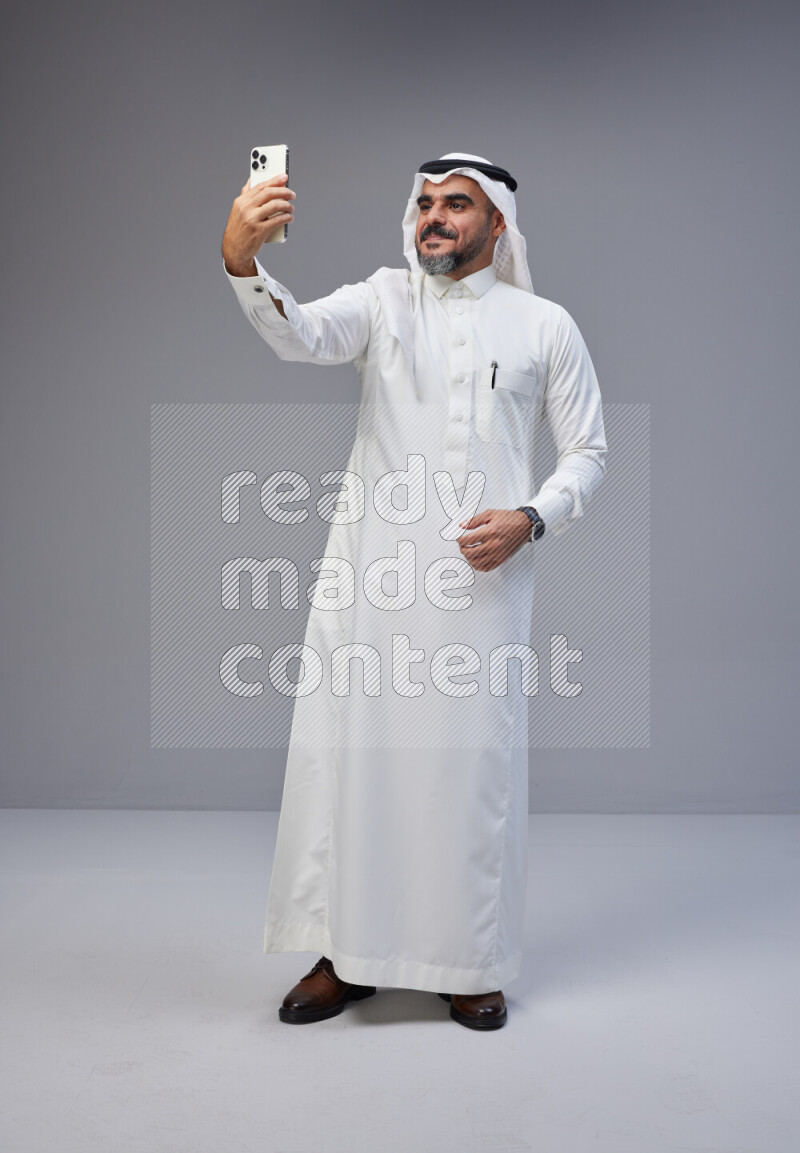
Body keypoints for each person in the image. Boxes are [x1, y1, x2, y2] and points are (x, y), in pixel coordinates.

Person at [221, 153, 607, 1030]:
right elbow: (303, 334)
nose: (434, 217)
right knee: (359, 766)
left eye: (457, 205)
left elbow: (589, 453)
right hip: (375, 585)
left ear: (497, 224)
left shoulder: (545, 324)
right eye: (425, 204)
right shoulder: (384, 301)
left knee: (467, 775)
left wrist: (530, 518)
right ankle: (346, 954)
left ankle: (466, 959)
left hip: (484, 590)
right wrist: (244, 263)